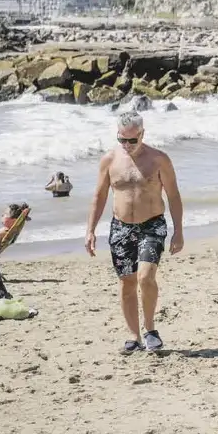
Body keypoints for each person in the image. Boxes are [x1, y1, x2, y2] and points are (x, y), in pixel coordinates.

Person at [86, 111, 184, 354]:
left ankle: (150, 330)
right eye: (122, 140)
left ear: (142, 134)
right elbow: (99, 197)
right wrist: (90, 230)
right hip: (120, 227)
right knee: (126, 282)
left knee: (145, 277)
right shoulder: (109, 160)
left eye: (133, 140)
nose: (127, 145)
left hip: (152, 224)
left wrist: (178, 231)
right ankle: (134, 336)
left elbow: (173, 196)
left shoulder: (159, 159)